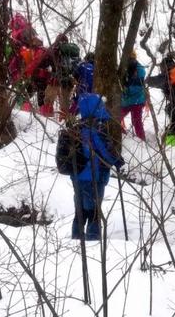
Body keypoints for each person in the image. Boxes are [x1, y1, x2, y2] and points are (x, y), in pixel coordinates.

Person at [71, 93, 124, 240]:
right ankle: (93, 239)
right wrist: (117, 160)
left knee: (80, 209)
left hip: (77, 175)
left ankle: (76, 237)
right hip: (93, 176)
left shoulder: (77, 127)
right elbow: (104, 151)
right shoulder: (95, 130)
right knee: (93, 210)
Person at [120, 51, 147, 141]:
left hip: (132, 100)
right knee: (136, 122)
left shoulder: (137, 69)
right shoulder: (138, 68)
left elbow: (137, 86)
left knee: (135, 121)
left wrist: (126, 87)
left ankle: (140, 139)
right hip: (133, 100)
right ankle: (139, 139)